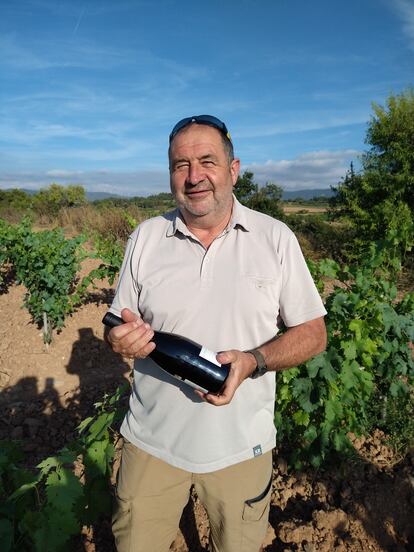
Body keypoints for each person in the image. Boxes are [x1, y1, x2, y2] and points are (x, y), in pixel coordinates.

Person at [106, 114, 327, 552]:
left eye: (206, 160)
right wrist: (116, 338)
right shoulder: (146, 237)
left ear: (233, 168)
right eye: (179, 165)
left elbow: (313, 333)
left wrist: (255, 361)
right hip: (151, 444)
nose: (193, 177)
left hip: (241, 449)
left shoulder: (275, 238)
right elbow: (116, 320)